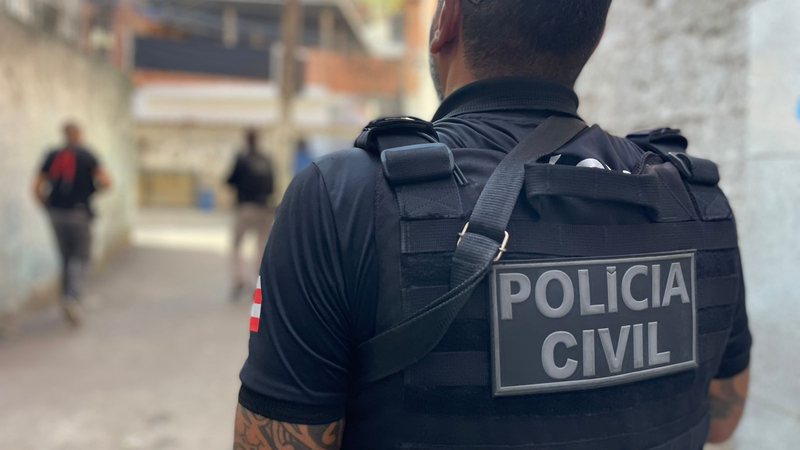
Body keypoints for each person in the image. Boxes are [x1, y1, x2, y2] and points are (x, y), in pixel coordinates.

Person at [234, 1, 752, 449]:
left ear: (447, 20)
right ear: (591, 39)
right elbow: (723, 419)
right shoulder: (698, 201)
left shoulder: (344, 197)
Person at [33, 122, 111, 326]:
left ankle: (66, 297)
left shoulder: (52, 155)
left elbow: (37, 188)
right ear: (79, 135)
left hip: (56, 213)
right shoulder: (87, 155)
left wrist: (48, 206)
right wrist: (91, 191)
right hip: (79, 212)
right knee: (81, 257)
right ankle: (73, 298)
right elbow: (106, 182)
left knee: (66, 257)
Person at [226, 129, 275, 301]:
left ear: (246, 140)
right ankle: (259, 283)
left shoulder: (242, 159)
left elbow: (230, 180)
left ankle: (238, 279)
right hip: (264, 208)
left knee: (237, 245)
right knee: (261, 247)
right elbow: (272, 187)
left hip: (245, 207)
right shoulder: (267, 159)